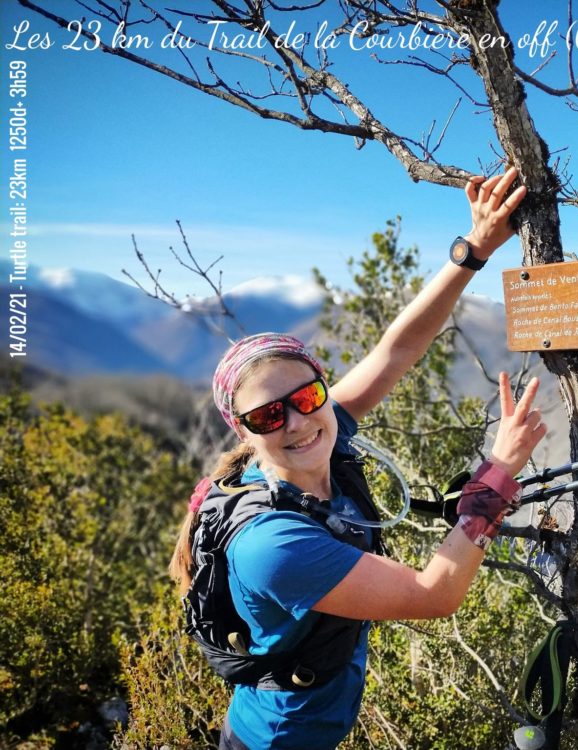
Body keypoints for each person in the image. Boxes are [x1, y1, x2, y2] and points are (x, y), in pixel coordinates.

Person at [169, 168, 548, 749]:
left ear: (321, 387)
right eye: (268, 416)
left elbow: (396, 351)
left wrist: (473, 252)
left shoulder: (319, 434)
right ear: (243, 431)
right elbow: (433, 596)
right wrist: (499, 469)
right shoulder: (272, 543)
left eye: (304, 397)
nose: (295, 422)